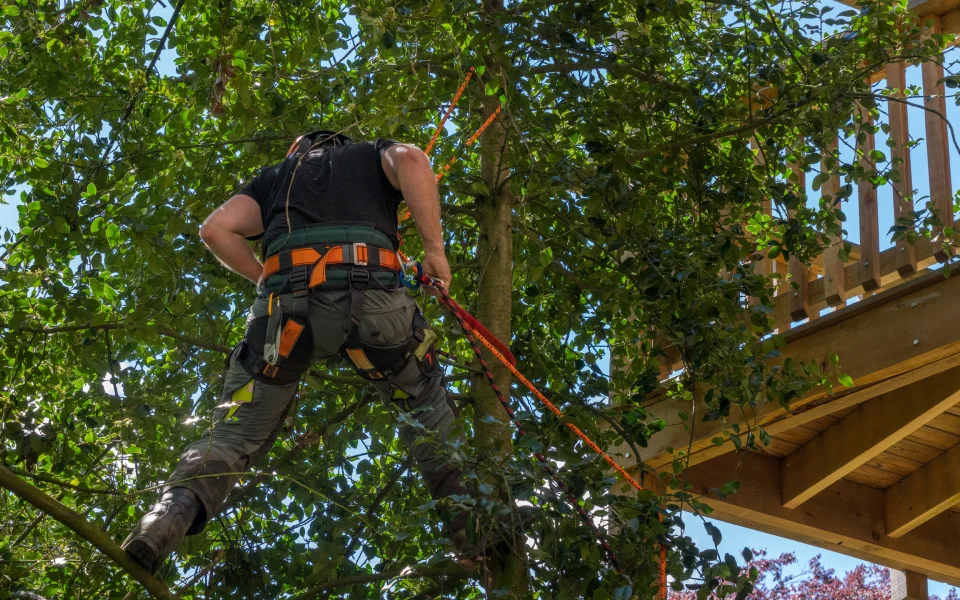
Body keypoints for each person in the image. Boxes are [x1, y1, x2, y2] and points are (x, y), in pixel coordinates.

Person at [121, 131, 469, 573]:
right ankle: (476, 527)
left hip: (283, 315)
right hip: (376, 303)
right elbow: (413, 160)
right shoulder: (370, 154)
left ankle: (166, 517)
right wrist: (435, 253)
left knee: (233, 434)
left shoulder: (274, 178)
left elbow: (214, 230)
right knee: (424, 406)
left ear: (296, 152)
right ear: (340, 144)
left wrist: (269, 281)